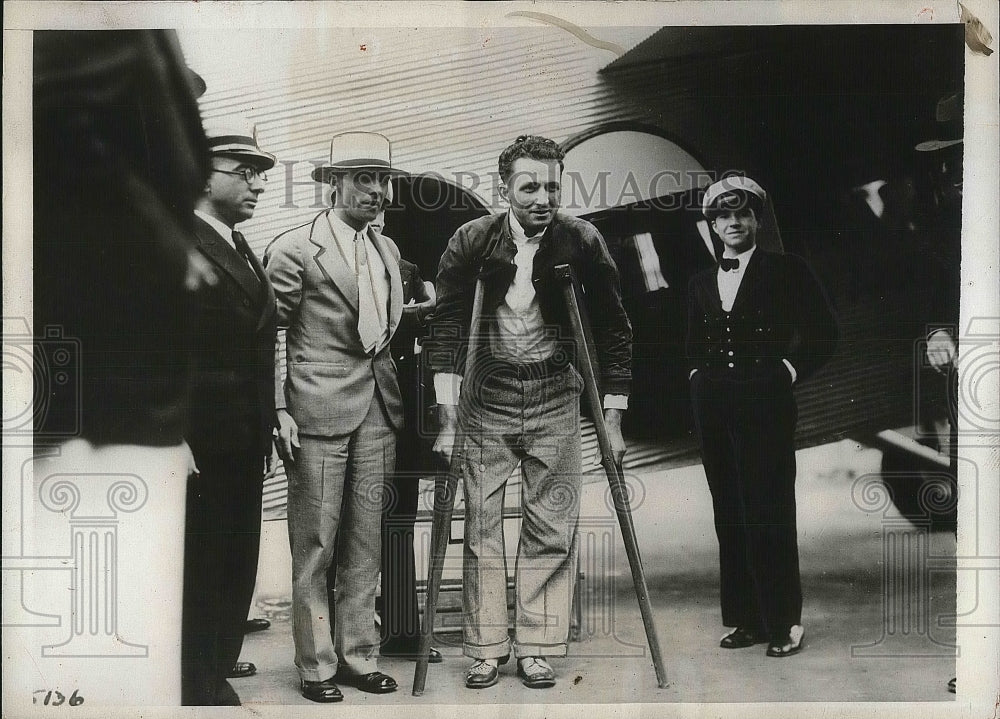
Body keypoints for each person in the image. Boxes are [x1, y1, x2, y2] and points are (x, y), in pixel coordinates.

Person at [428, 135, 632, 689]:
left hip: (554, 394)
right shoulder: (471, 240)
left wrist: (611, 418)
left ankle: (538, 646)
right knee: (482, 524)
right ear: (504, 188)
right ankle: (487, 647)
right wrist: (447, 416)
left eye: (551, 186)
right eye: (529, 187)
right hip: (487, 395)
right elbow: (447, 326)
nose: (543, 198)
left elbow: (614, 330)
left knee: (551, 521)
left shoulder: (581, 239)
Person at [265, 132, 405, 703]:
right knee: (317, 543)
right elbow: (271, 333)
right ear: (333, 183)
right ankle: (316, 665)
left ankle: (358, 655)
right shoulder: (296, 248)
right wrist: (278, 407)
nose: (376, 191)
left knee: (365, 540)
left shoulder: (386, 249)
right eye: (362, 179)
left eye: (382, 179)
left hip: (378, 407)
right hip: (315, 408)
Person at [686, 176, 838, 658]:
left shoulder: (788, 270)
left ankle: (784, 622)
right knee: (728, 512)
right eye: (723, 216)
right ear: (712, 225)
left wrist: (787, 371)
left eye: (742, 214)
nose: (733, 223)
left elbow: (824, 334)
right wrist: (696, 379)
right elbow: (689, 345)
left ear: (756, 219)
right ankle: (747, 620)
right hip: (715, 412)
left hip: (767, 409)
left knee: (769, 511)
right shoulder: (698, 282)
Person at [181, 123, 278, 705]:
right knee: (204, 565)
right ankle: (196, 686)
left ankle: (212, 674)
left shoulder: (235, 243)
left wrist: (276, 414)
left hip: (244, 437)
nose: (259, 184)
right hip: (203, 439)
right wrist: (174, 433)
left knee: (236, 560)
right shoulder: (181, 243)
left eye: (260, 173)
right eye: (244, 172)